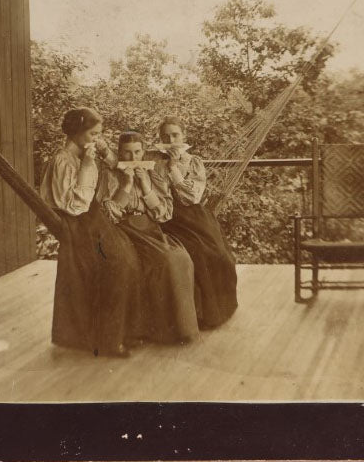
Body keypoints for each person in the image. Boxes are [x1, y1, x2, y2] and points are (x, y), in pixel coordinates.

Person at [39, 107, 138, 357]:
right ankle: (107, 339)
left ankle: (121, 331)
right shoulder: (63, 160)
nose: (97, 139)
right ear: (76, 133)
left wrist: (105, 154)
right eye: (93, 134)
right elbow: (72, 205)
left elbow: (119, 167)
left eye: (99, 134)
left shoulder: (87, 152)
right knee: (117, 263)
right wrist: (87, 164)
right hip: (75, 222)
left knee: (127, 256)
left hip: (90, 216)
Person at [97, 131, 199, 345]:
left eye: (137, 152)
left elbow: (164, 214)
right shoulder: (110, 173)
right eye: (126, 153)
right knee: (142, 263)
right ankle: (147, 331)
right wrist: (126, 185)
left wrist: (145, 186)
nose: (132, 158)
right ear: (119, 153)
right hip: (122, 230)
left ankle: (177, 329)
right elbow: (109, 215)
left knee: (177, 258)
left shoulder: (153, 174)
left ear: (143, 153)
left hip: (150, 228)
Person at [154, 116, 238, 329]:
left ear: (184, 137)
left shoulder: (193, 162)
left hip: (194, 215)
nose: (170, 140)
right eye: (165, 136)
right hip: (168, 218)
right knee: (197, 254)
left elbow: (192, 197)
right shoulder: (153, 162)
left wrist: (174, 168)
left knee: (219, 255)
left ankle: (219, 310)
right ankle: (197, 316)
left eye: (175, 135)